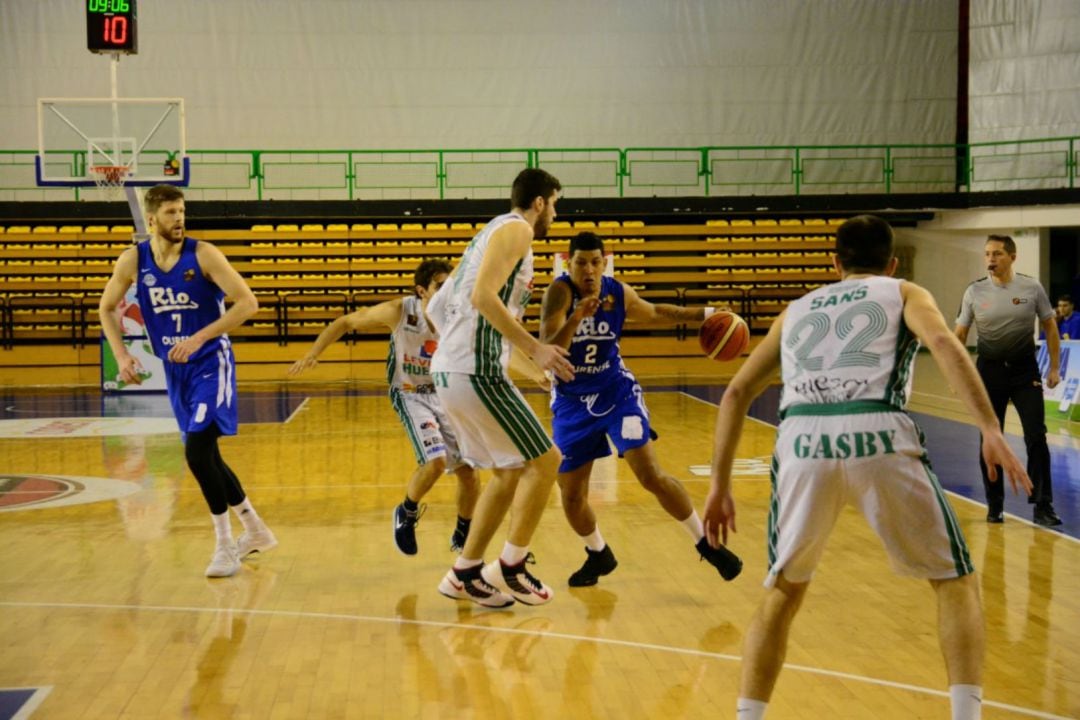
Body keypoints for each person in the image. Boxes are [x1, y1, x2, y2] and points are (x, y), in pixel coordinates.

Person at [703, 215, 1032, 720]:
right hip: (877, 427)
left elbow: (734, 393)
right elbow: (944, 344)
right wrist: (989, 427)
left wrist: (720, 486)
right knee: (955, 580)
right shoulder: (903, 291)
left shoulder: (795, 309)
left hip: (801, 439)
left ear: (834, 264)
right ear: (892, 262)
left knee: (783, 591)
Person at [539, 231, 742, 587]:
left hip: (617, 391)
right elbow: (548, 347)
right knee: (571, 497)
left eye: (595, 262)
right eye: (581, 262)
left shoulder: (616, 291)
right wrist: (576, 319)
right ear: (567, 264)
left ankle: (704, 542)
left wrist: (707, 313)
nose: (589, 269)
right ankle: (598, 553)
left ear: (605, 262)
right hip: (572, 402)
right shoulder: (559, 293)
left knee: (649, 473)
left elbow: (656, 312)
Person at [99, 184, 277, 578]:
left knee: (197, 453)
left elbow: (248, 302)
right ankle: (256, 530)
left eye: (181, 211)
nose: (179, 219)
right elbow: (106, 308)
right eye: (170, 213)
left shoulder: (204, 253)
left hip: (211, 362)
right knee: (208, 455)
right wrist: (122, 355)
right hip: (175, 368)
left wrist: (201, 336)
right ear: (151, 219)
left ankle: (225, 545)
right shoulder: (134, 261)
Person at [427, 167, 575, 608]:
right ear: (539, 202)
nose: (555, 214)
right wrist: (536, 349)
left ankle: (465, 572)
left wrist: (529, 367)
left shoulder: (487, 233)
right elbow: (482, 299)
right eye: (555, 204)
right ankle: (512, 565)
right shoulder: (517, 231)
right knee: (547, 461)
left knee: (510, 470)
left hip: (452, 371)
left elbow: (439, 306)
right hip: (474, 372)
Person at [287, 258, 480, 555]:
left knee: (468, 471)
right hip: (410, 393)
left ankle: (463, 533)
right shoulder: (400, 310)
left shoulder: (458, 314)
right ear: (421, 291)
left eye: (449, 287)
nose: (447, 293)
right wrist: (314, 353)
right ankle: (407, 511)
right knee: (436, 462)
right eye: (439, 287)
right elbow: (346, 321)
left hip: (445, 394)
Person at [955, 234, 1062, 526]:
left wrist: (1054, 368)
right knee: (990, 437)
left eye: (998, 254)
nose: (991, 259)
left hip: (1024, 371)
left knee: (1036, 436)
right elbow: (959, 336)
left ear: (1012, 257)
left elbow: (1051, 327)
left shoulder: (1031, 287)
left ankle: (1043, 504)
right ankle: (995, 504)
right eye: (987, 253)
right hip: (989, 373)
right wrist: (958, 375)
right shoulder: (974, 292)